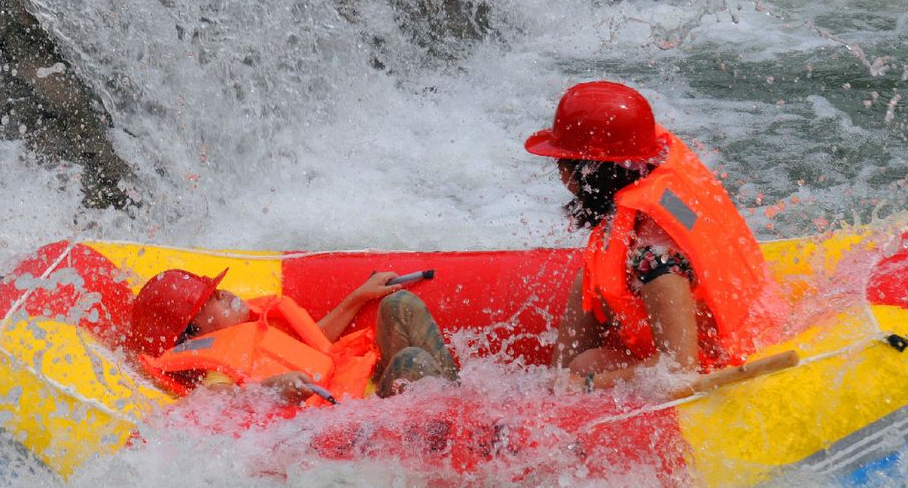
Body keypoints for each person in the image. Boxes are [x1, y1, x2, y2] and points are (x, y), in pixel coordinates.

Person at [524, 81, 790, 391]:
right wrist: (560, 380)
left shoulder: (656, 257)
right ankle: (550, 385)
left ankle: (561, 387)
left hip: (730, 360)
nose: (558, 169)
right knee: (590, 279)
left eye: (561, 161)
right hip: (713, 326)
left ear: (586, 172)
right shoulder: (645, 188)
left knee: (588, 365)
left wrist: (587, 384)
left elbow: (678, 369)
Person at [125, 268, 458, 405]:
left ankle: (458, 398)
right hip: (364, 411)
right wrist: (271, 390)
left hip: (364, 379)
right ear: (195, 333)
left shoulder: (254, 331)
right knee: (412, 362)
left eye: (214, 289)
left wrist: (359, 296)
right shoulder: (217, 367)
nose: (222, 292)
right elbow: (219, 402)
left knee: (400, 305)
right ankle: (460, 416)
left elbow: (315, 343)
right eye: (209, 299)